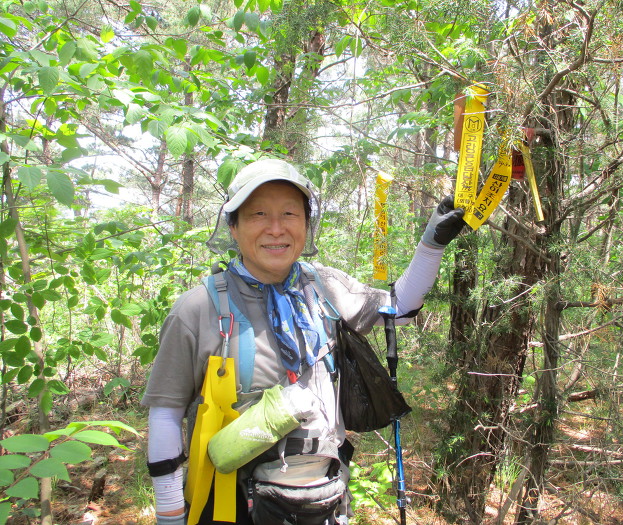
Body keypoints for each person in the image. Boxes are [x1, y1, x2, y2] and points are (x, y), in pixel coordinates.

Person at [141, 158, 466, 525]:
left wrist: (431, 244)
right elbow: (165, 412)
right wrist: (170, 515)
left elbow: (399, 308)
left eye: (290, 214)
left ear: (306, 224)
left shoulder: (324, 287)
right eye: (258, 214)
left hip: (324, 497)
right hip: (230, 506)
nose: (276, 228)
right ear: (233, 226)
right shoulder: (198, 309)